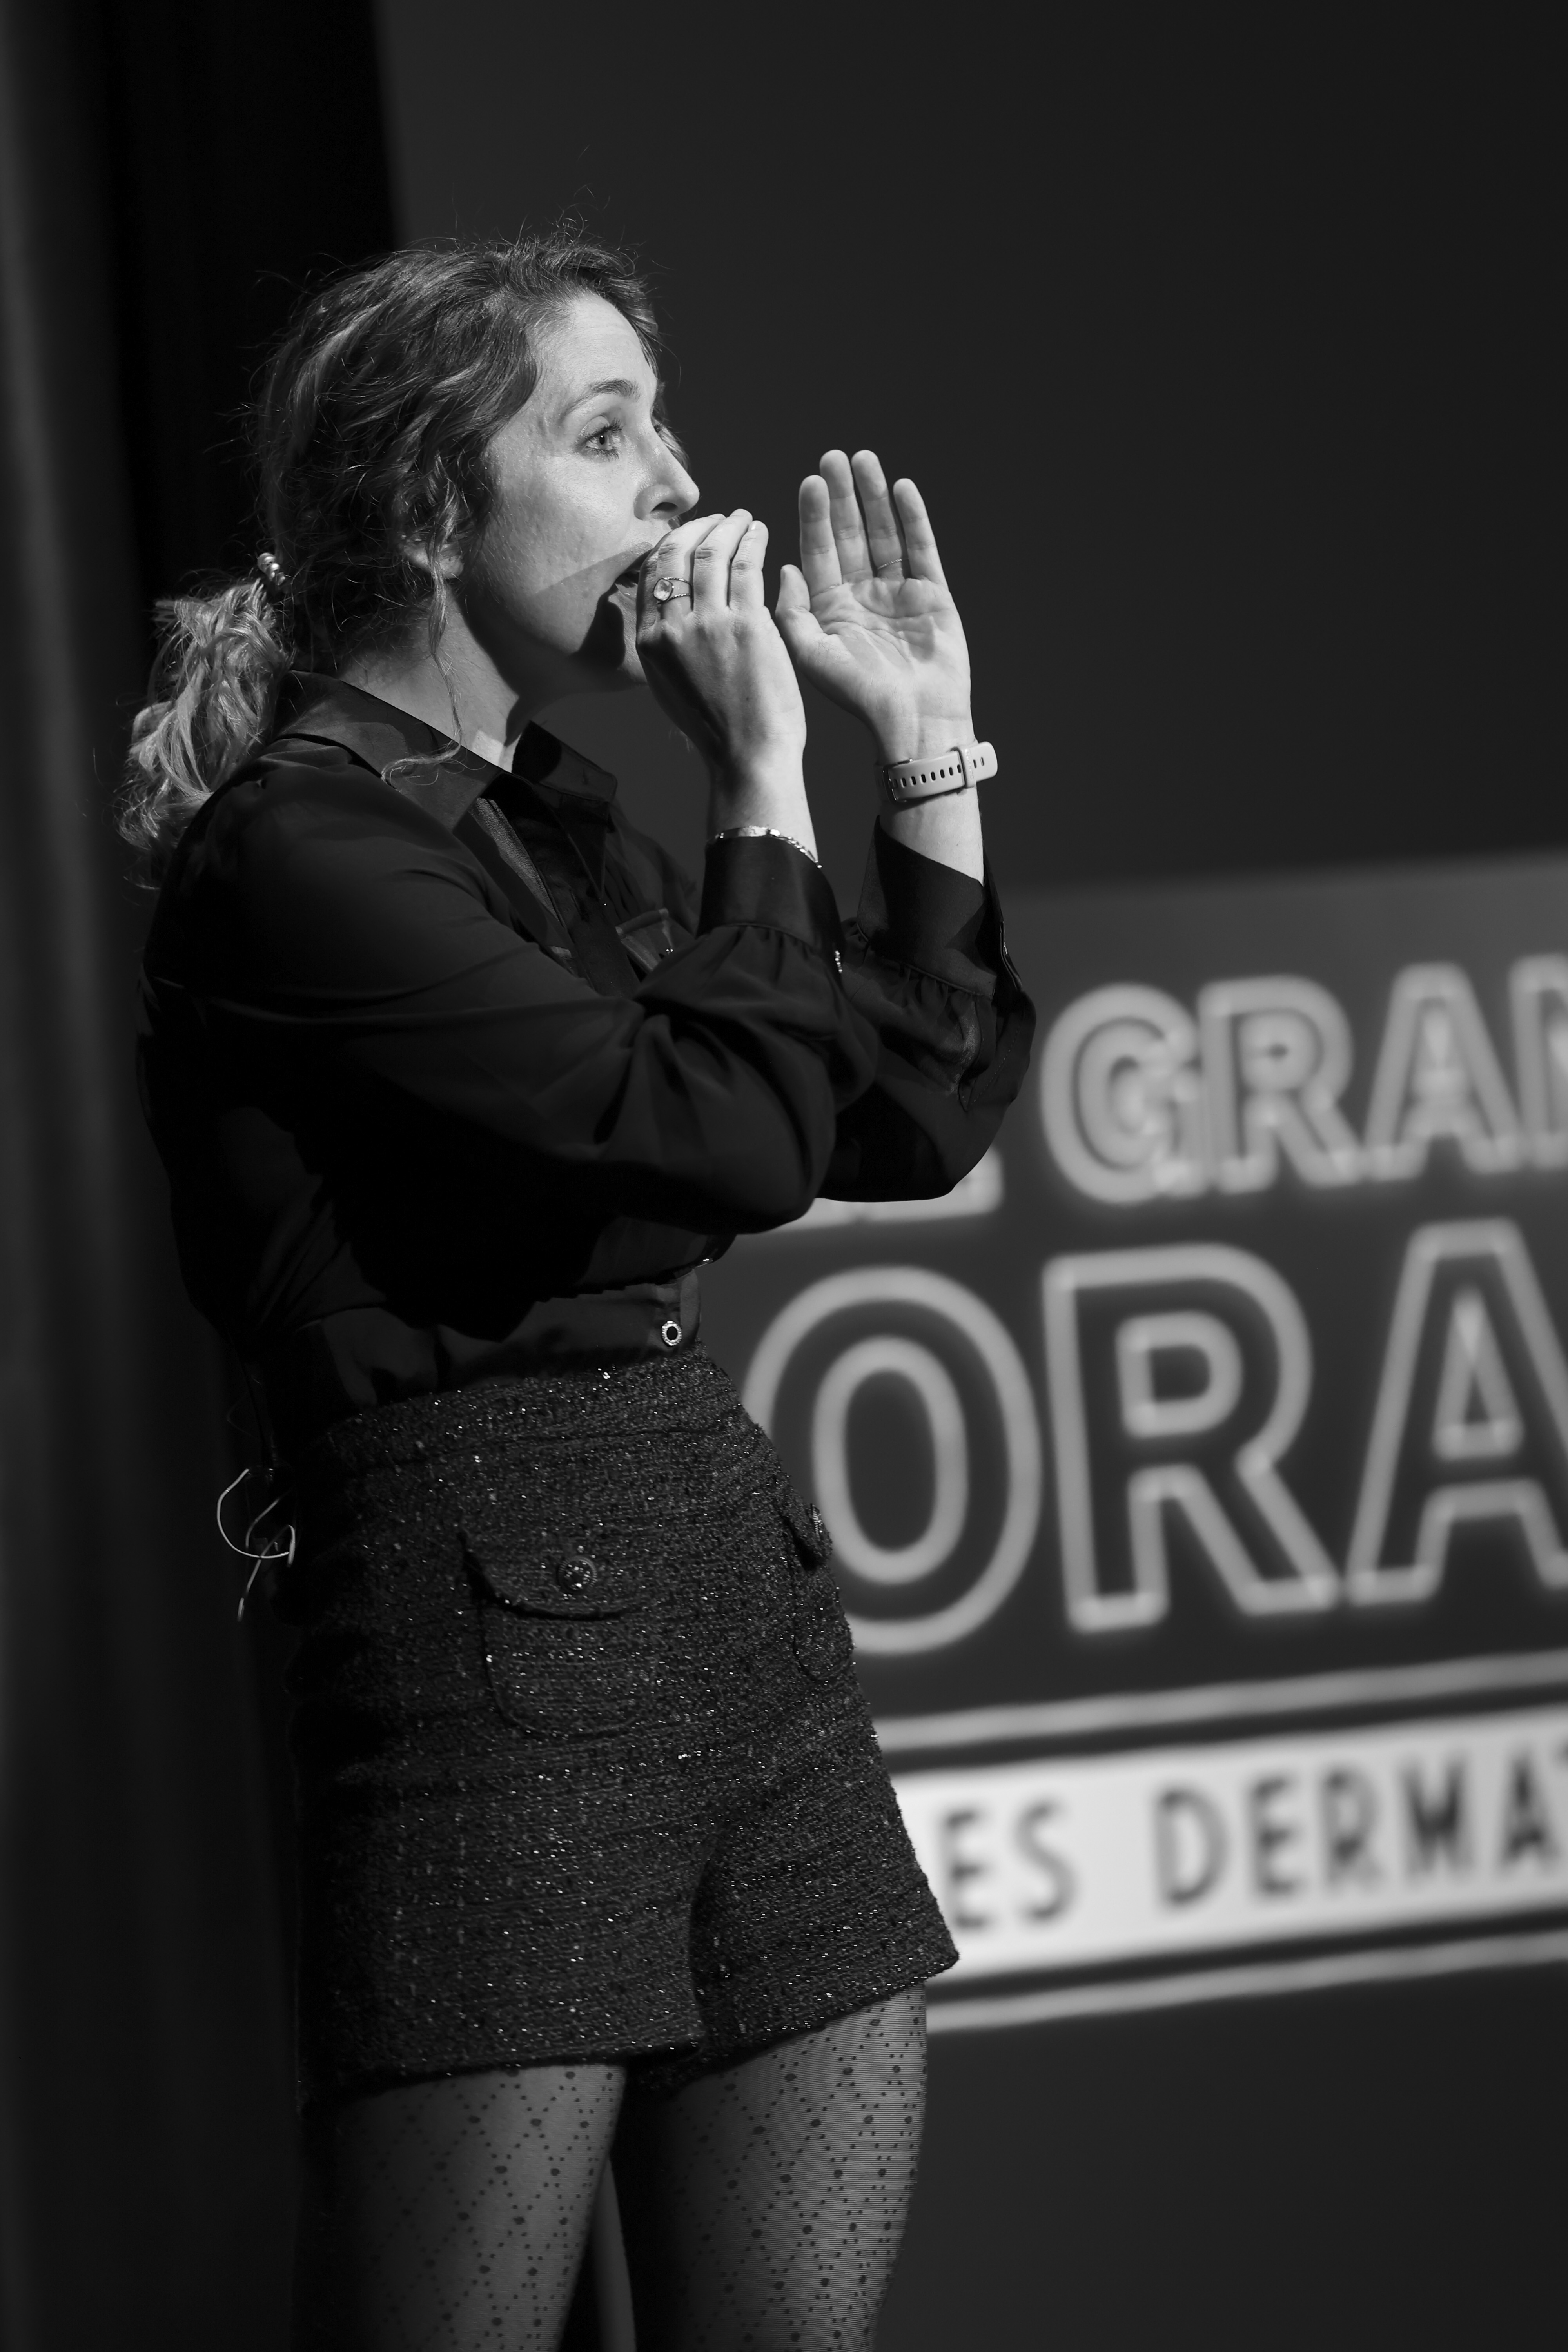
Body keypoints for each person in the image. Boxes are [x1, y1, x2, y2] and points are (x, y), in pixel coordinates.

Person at [122, 226, 1034, 2351]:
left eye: (662, 424)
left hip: (737, 1609)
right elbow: (713, 1136)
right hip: (488, 1658)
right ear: (432, 511)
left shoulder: (558, 823)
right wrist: (757, 783)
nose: (679, 486)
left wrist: (927, 750)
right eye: (606, 433)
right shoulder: (305, 854)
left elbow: (909, 1115)